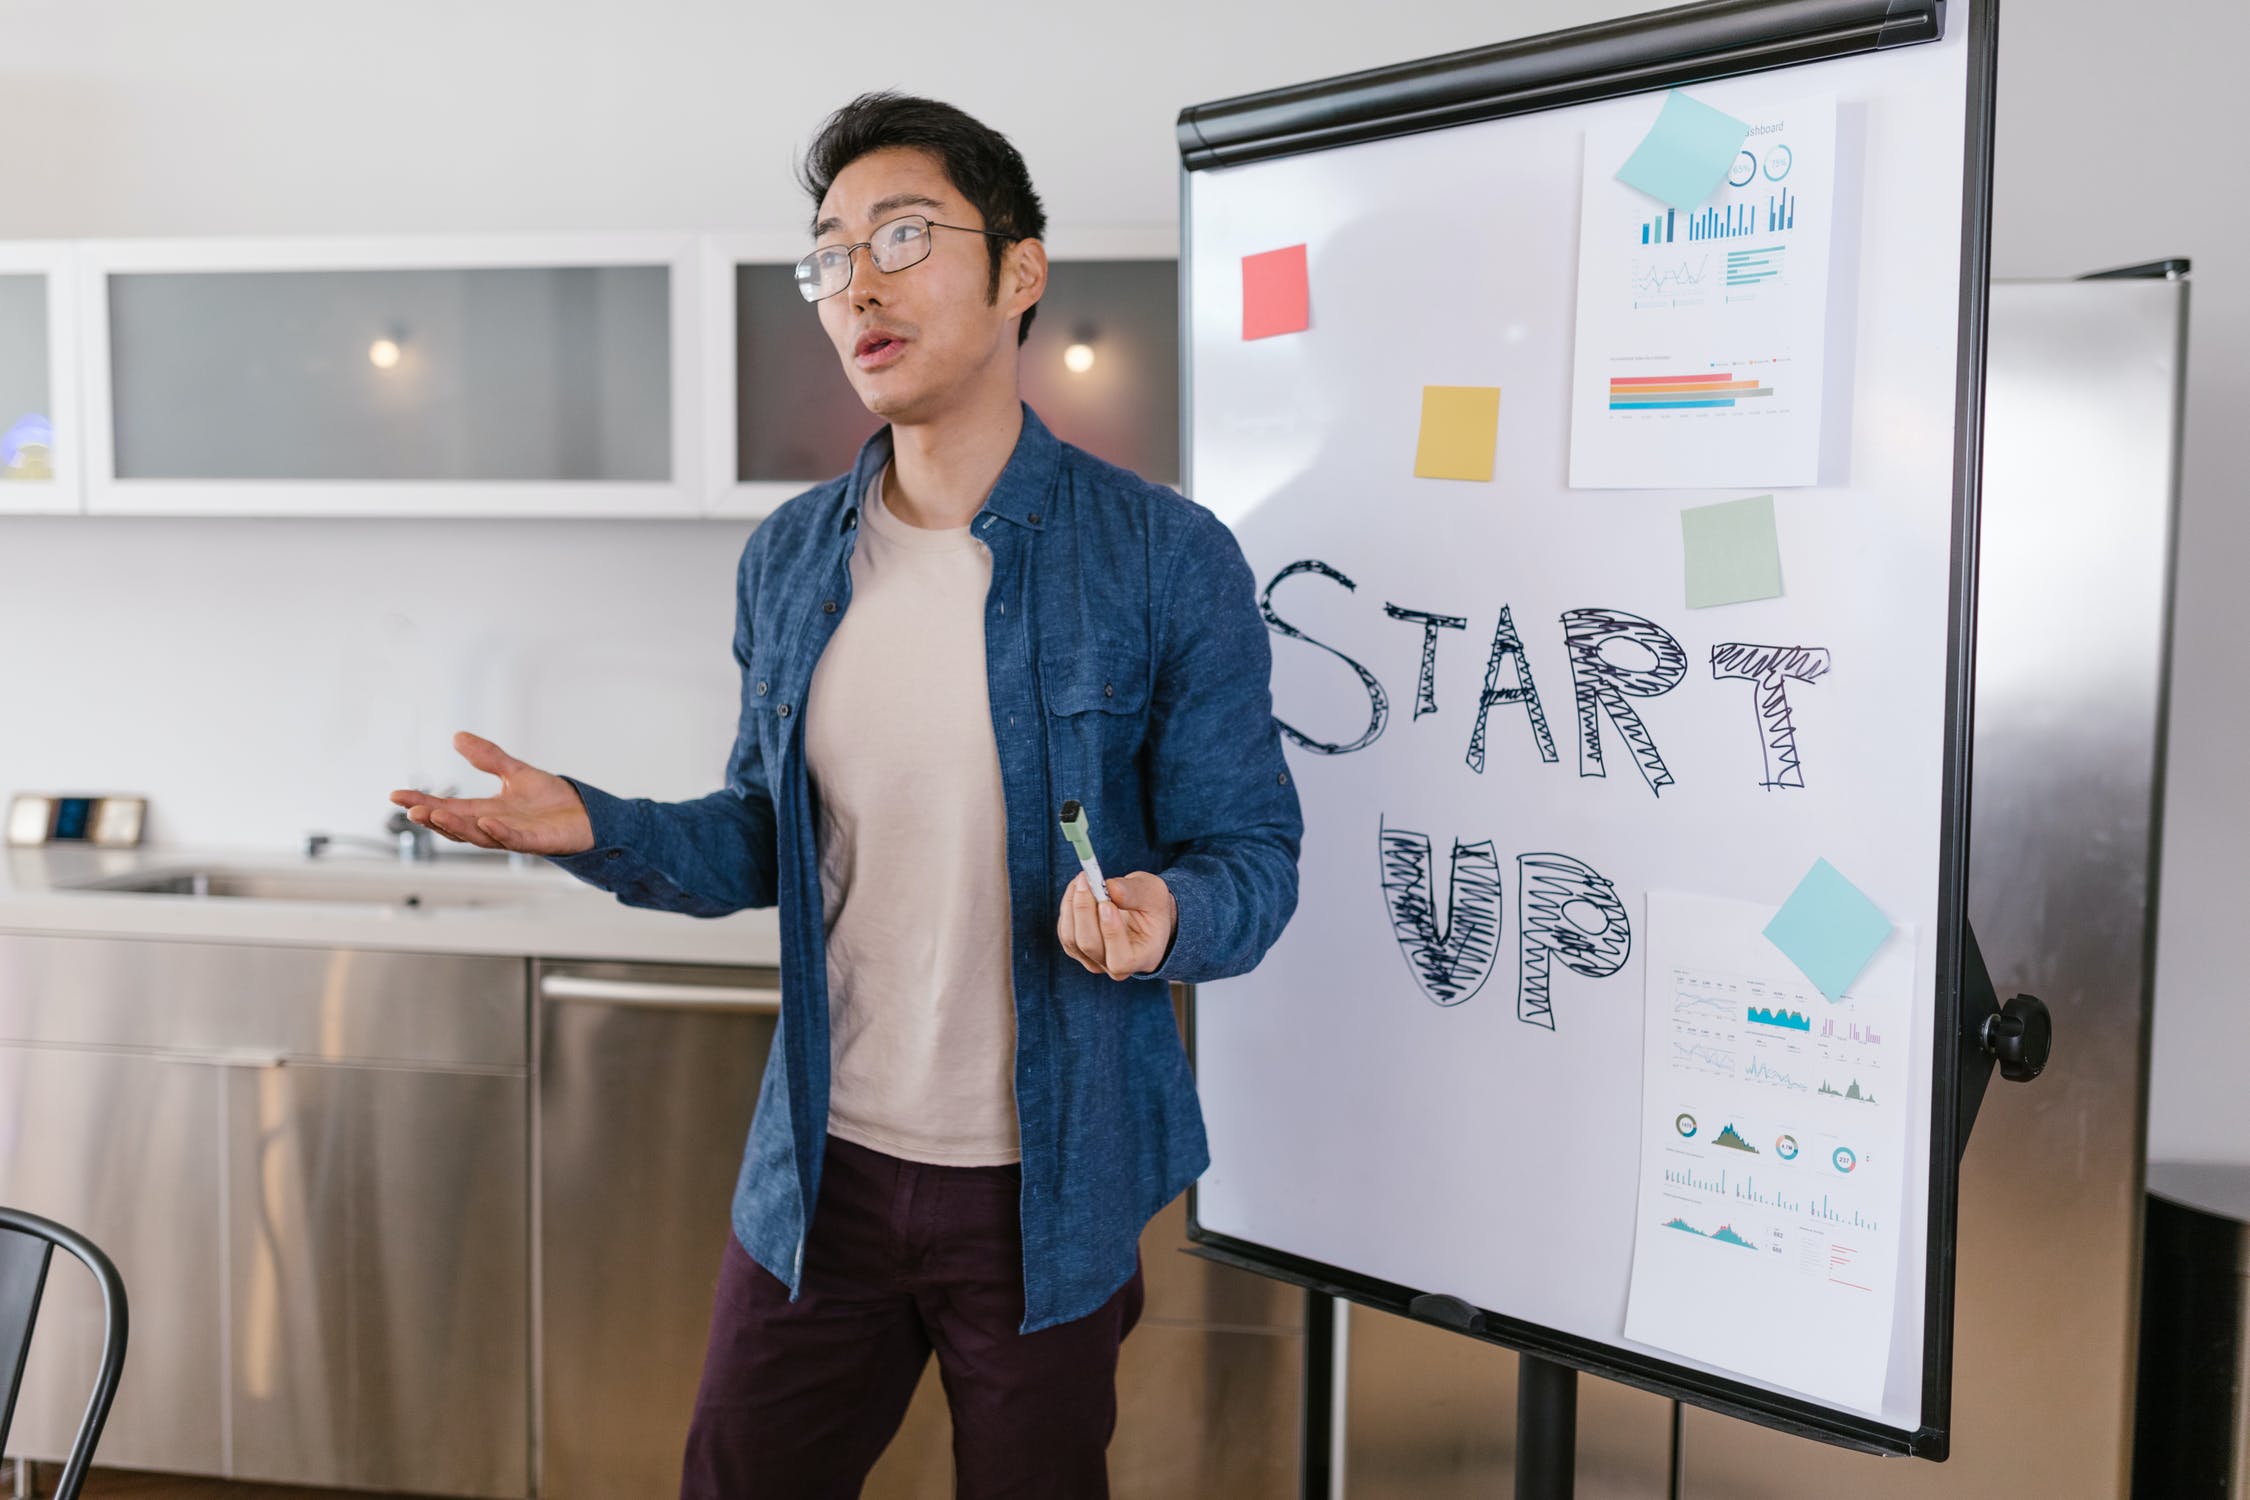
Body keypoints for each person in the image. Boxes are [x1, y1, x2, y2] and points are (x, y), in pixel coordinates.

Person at [389, 90, 1301, 1499]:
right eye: (828, 255)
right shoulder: (793, 558)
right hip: (823, 1177)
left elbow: (1252, 859)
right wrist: (599, 825)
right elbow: (764, 836)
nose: (856, 285)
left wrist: (1165, 914)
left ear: (1018, 271)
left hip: (1047, 1189)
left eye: (902, 237)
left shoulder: (1166, 559)